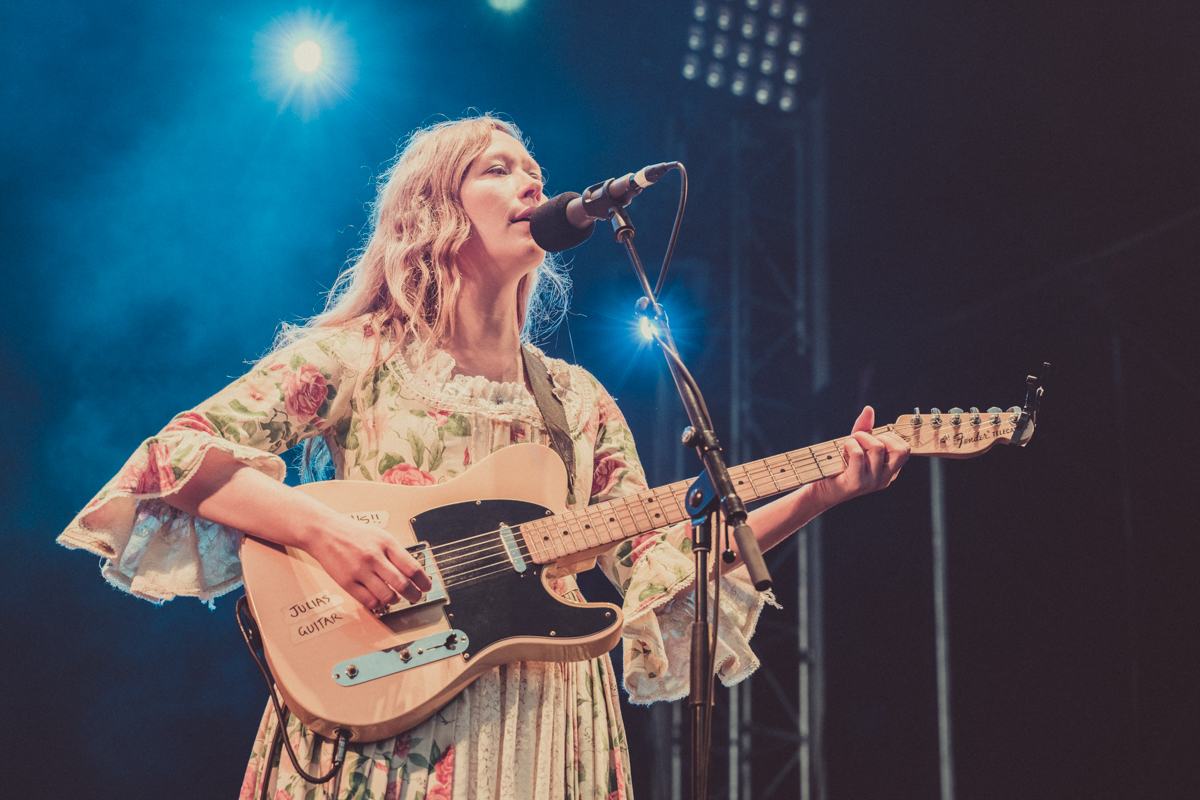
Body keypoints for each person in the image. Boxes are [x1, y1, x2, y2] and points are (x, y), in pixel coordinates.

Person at [57, 115, 910, 800]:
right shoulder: (362, 355)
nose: (532, 182)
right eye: (498, 169)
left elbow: (661, 559)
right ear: (433, 209)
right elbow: (177, 454)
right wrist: (323, 533)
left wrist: (818, 494)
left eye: (533, 169)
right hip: (389, 705)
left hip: (552, 729)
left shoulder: (578, 401)